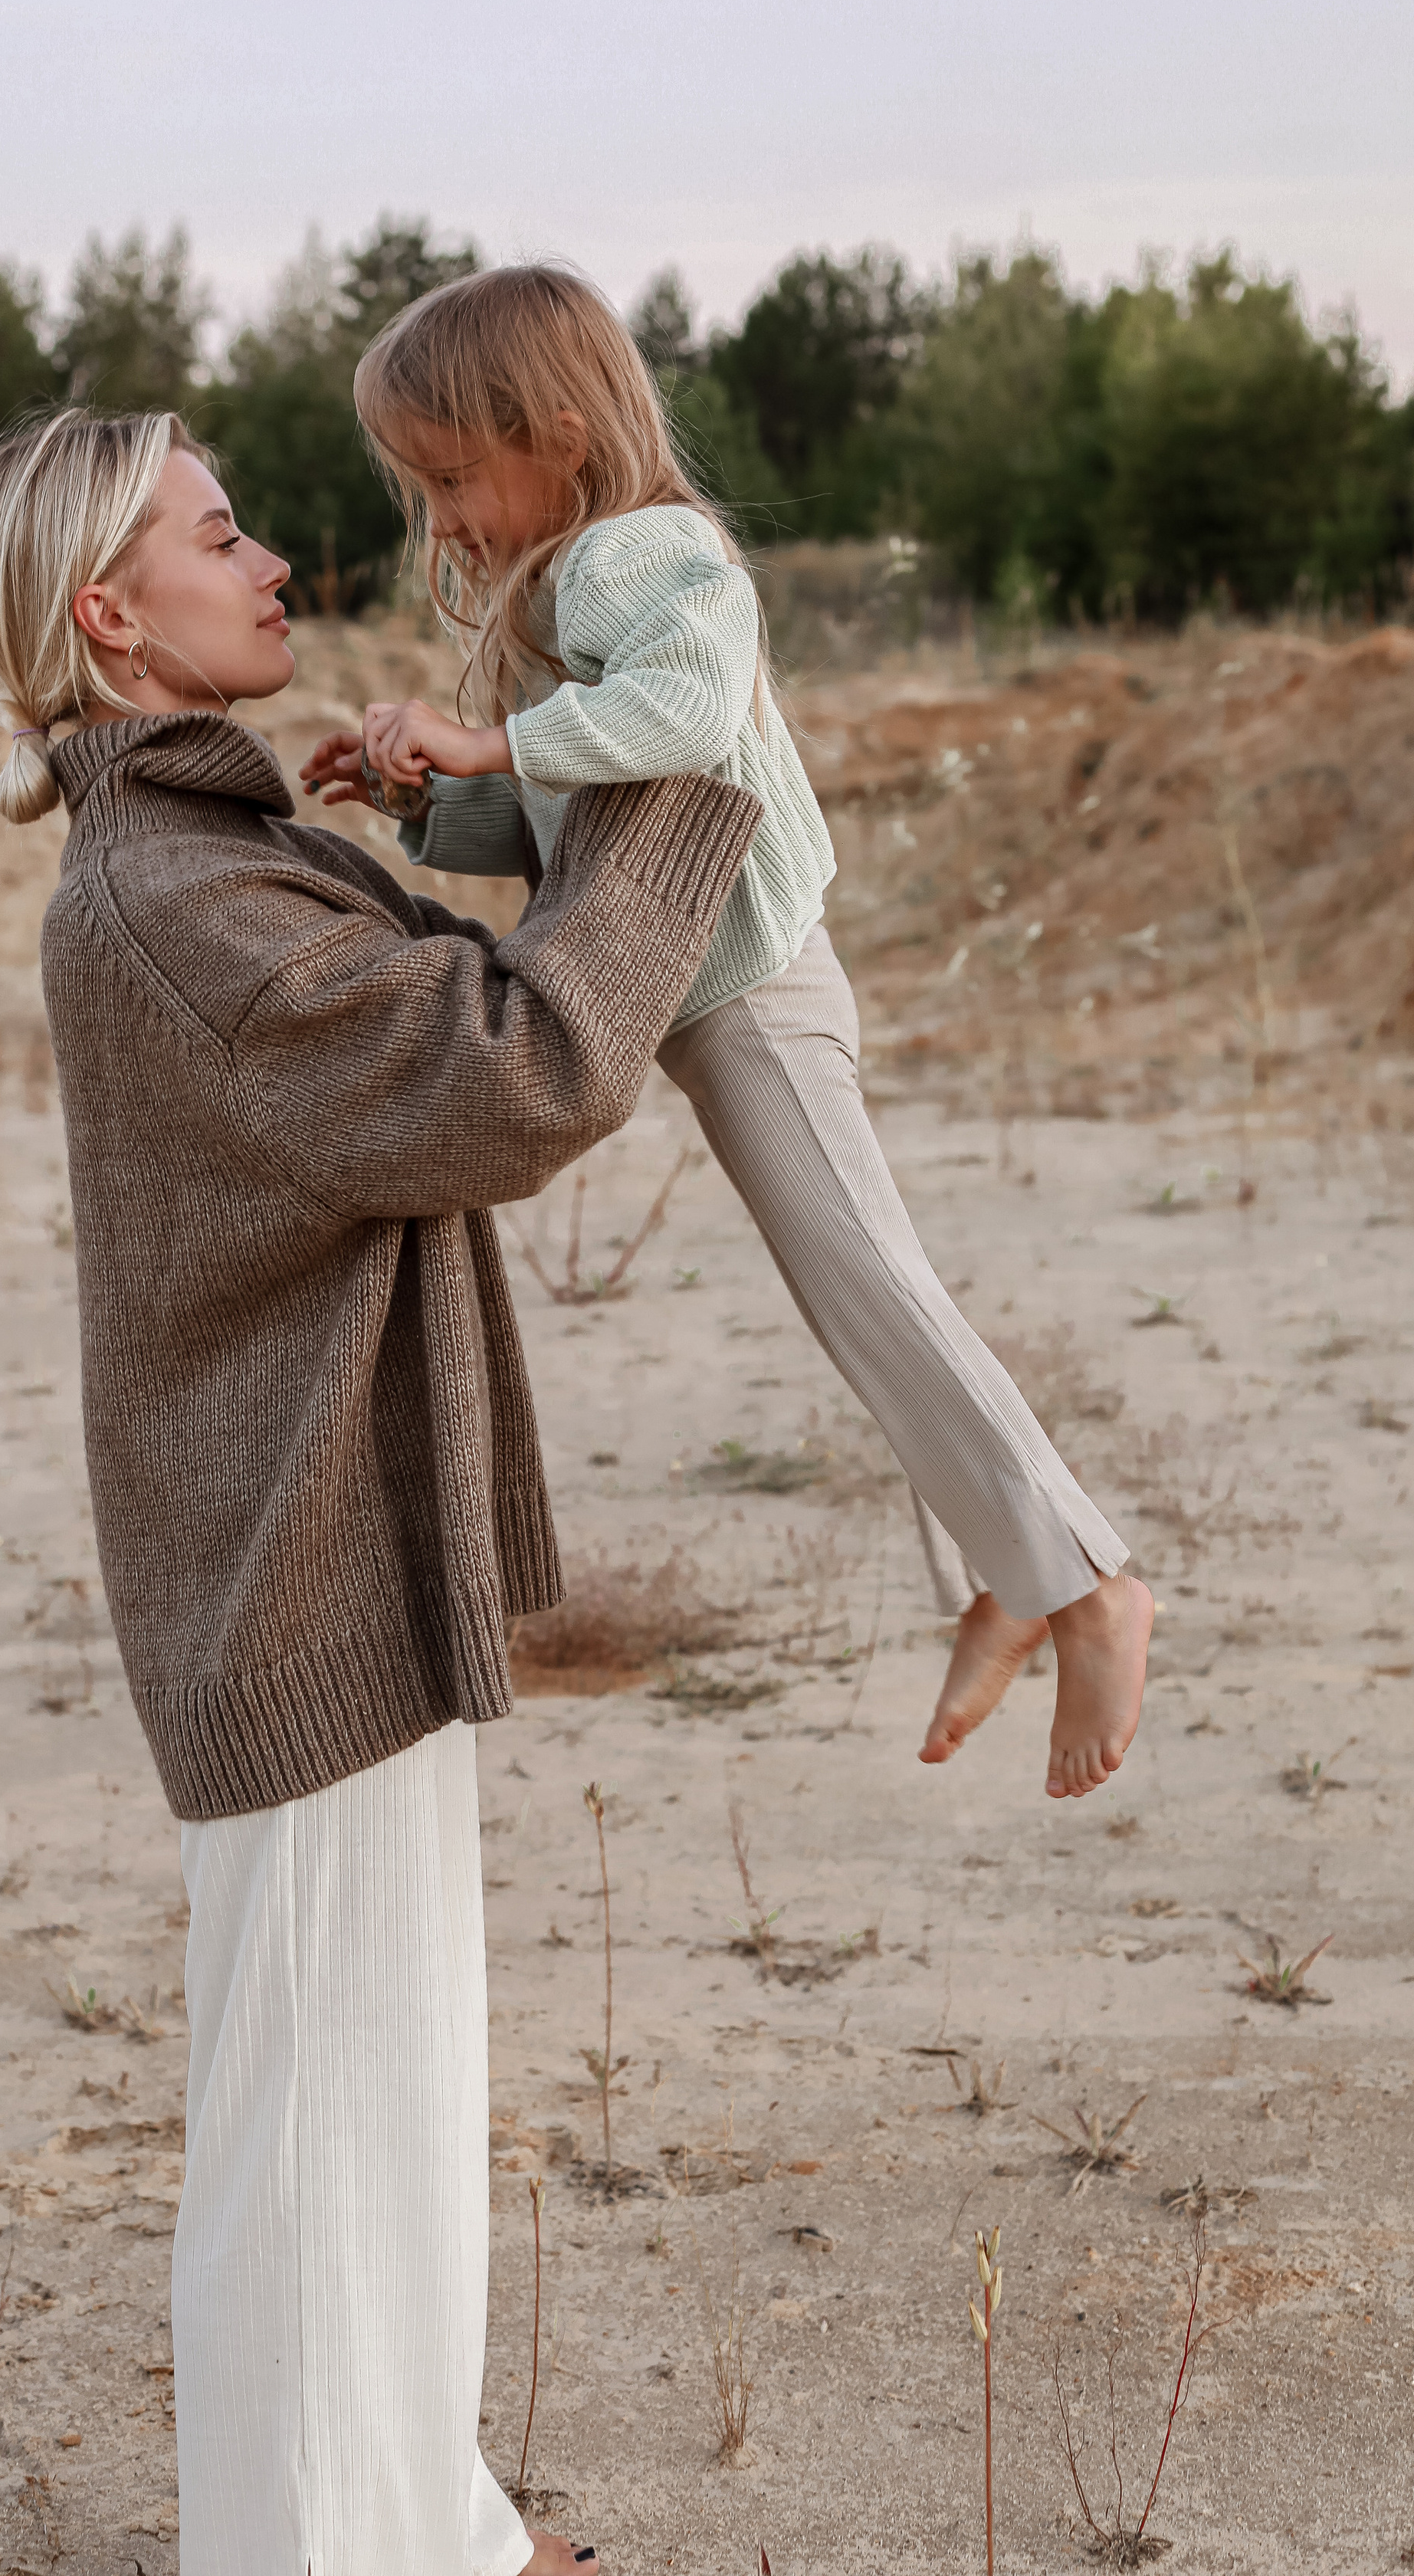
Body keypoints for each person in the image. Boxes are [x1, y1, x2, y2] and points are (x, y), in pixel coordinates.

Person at [0, 402, 762, 2576]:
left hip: (326, 1555)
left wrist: (533, 783)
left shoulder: (208, 852)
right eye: (221, 537)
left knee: (381, 2109)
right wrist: (683, 775)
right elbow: (509, 1067)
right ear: (111, 615)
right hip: (284, 1581)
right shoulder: (169, 899)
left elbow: (464, 1003)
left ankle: (431, 2532)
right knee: (314, 2142)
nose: (275, 562)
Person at [300, 261, 1152, 1801]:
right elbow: (575, 816)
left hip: (752, 995)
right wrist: (432, 799)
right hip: (720, 1009)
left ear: (562, 438)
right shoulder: (574, 587)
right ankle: (1013, 1575)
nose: (441, 518)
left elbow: (689, 715)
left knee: (871, 1282)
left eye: (453, 477)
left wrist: (482, 734)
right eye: (419, 488)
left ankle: (1088, 1587)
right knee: (854, 1293)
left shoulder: (643, 553)